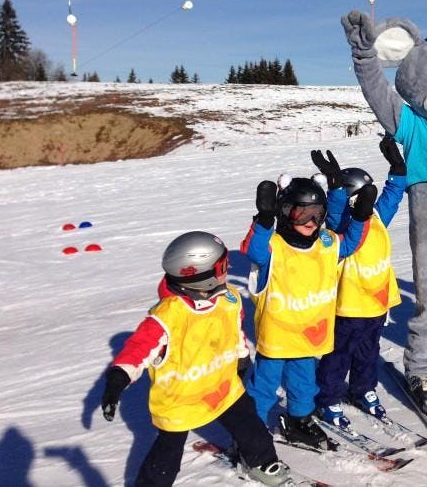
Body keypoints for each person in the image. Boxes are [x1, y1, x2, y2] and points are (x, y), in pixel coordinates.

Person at [99, 231, 292, 486]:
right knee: (166, 458)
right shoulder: (168, 316)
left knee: (252, 429)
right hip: (181, 400)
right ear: (200, 276)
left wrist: (242, 358)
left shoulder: (229, 298)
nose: (229, 268)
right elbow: (137, 351)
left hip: (223, 387)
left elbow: (234, 333)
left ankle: (260, 461)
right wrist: (117, 381)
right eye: (223, 266)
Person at [241, 173, 374, 449]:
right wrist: (264, 219)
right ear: (286, 212)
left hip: (308, 336)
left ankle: (299, 419)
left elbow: (348, 245)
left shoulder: (325, 243)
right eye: (301, 213)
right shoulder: (274, 248)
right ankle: (250, 431)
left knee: (304, 383)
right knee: (264, 386)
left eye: (316, 214)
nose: (309, 222)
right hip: (277, 339)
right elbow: (252, 251)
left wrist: (360, 217)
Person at [311, 136, 407, 429]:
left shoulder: (377, 216)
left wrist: (397, 168)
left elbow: (393, 194)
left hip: (377, 303)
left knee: (368, 351)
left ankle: (363, 389)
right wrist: (336, 188)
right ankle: (328, 398)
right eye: (363, 195)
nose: (370, 200)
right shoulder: (339, 224)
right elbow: (337, 210)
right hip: (349, 306)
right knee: (338, 354)